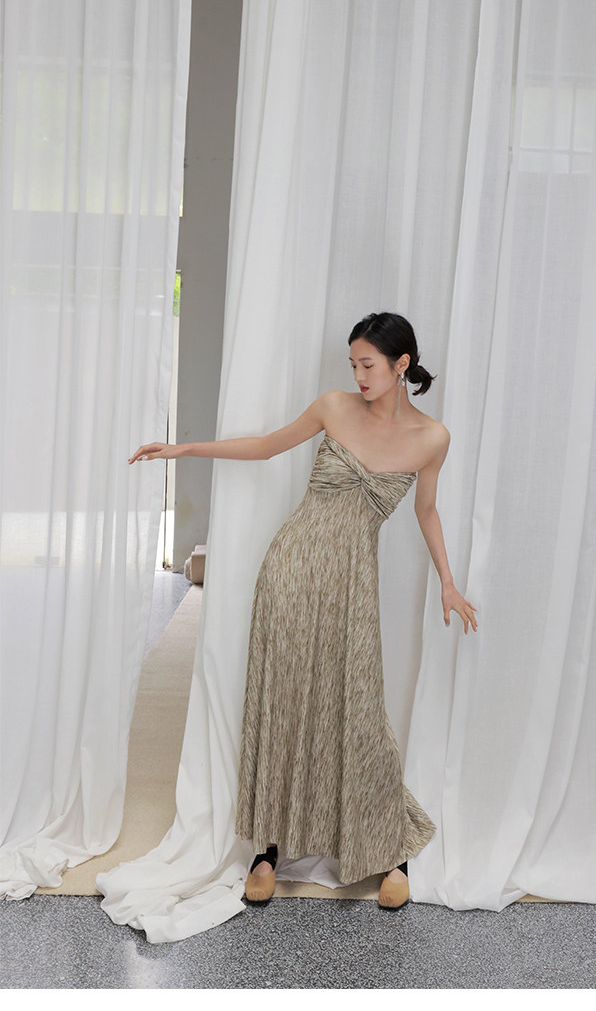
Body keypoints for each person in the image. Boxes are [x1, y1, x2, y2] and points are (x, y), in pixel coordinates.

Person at [129, 311, 478, 910]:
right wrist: (183, 448)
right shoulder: (334, 407)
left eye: (368, 364)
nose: (358, 375)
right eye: (353, 364)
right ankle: (268, 851)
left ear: (401, 365)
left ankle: (388, 851)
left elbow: (426, 510)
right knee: (283, 701)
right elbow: (266, 446)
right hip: (291, 569)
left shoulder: (432, 439)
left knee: (358, 711)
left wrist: (448, 581)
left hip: (352, 584)